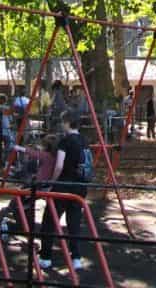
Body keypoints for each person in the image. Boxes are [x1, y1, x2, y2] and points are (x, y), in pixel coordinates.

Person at [39, 113, 88, 271]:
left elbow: (59, 165)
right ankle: (76, 258)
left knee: (50, 220)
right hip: (79, 186)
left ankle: (45, 257)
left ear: (67, 123)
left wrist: (51, 182)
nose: (61, 125)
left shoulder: (65, 141)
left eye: (63, 122)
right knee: (74, 222)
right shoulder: (84, 141)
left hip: (63, 185)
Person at [0, 134, 58, 242]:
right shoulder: (56, 156)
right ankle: (22, 221)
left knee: (19, 199)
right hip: (43, 184)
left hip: (39, 185)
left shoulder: (46, 156)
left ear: (47, 147)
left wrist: (18, 147)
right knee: (25, 200)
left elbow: (33, 153)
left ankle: (9, 223)